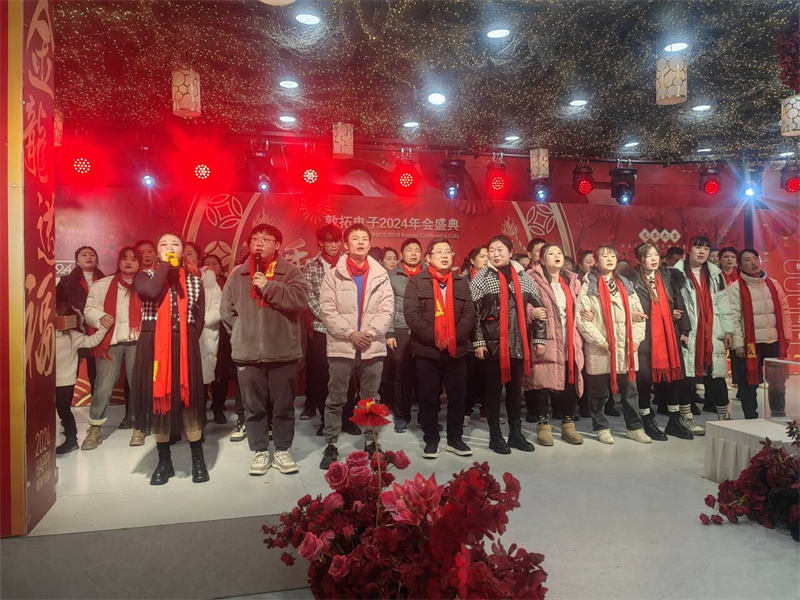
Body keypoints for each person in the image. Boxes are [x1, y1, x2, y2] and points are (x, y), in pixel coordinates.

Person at [221, 224, 308, 475]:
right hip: (248, 353)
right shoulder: (238, 274)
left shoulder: (290, 272)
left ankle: (282, 450)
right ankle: (259, 451)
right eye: (255, 239)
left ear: (278, 245)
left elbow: (300, 301)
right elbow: (227, 311)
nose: (259, 243)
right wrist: (241, 333)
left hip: (283, 351)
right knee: (254, 407)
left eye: (266, 239)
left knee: (283, 406)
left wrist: (269, 286)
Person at [130, 232, 209, 485]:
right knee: (160, 403)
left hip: (184, 344)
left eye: (175, 244)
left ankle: (198, 459)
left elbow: (199, 316)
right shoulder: (145, 276)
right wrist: (165, 265)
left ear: (184, 250)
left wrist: (187, 339)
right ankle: (164, 462)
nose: (169, 247)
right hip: (153, 345)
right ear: (157, 251)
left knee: (189, 403)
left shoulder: (195, 279)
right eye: (163, 244)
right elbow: (152, 292)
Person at [318, 224, 394, 469]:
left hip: (372, 345)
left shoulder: (381, 275)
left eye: (364, 239)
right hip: (342, 345)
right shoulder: (333, 275)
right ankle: (331, 444)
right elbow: (327, 310)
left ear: (370, 245)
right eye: (355, 238)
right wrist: (350, 333)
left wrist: (368, 334)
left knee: (370, 398)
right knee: (336, 397)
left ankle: (371, 443)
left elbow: (387, 310)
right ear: (346, 244)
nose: (360, 242)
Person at [472, 234, 546, 454]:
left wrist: (539, 338)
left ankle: (515, 434)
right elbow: (474, 314)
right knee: (493, 392)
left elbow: (539, 309)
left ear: (511, 253)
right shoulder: (482, 277)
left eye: (500, 250)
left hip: (518, 343)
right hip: (492, 346)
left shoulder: (522, 276)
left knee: (515, 392)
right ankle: (495, 436)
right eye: (491, 250)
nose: (495, 254)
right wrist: (478, 341)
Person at [404, 238, 475, 458]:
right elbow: (412, 315)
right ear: (428, 258)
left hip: (456, 350)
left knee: (458, 397)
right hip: (427, 350)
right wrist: (436, 338)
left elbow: (469, 314)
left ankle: (455, 439)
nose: (444, 256)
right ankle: (431, 439)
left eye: (448, 252)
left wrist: (453, 337)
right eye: (439, 252)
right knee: (428, 398)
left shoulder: (461, 282)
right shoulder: (416, 282)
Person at [577, 245, 651, 444]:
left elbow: (639, 316)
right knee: (599, 393)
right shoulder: (589, 285)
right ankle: (601, 427)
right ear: (595, 261)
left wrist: (636, 340)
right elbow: (582, 319)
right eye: (604, 256)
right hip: (601, 347)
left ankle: (634, 427)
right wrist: (600, 340)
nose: (609, 259)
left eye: (612, 256)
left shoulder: (625, 284)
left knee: (630, 391)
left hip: (625, 345)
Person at [621, 243, 694, 440]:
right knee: (644, 380)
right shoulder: (630, 280)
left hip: (669, 334)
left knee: (674, 378)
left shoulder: (669, 276)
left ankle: (674, 420)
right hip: (643, 335)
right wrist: (631, 315)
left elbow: (679, 303)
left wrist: (684, 329)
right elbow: (624, 306)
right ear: (638, 259)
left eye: (655, 254)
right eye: (648, 256)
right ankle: (646, 419)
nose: (653, 259)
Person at [524, 243, 586, 446]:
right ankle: (543, 427)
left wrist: (587, 312)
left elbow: (580, 305)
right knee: (542, 382)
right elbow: (521, 304)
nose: (557, 256)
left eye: (559, 252)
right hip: (545, 339)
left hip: (569, 341)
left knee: (570, 382)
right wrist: (531, 312)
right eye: (551, 253)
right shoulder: (531, 279)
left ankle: (568, 426)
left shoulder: (571, 281)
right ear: (542, 259)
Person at [83, 247, 143, 448]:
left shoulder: (145, 285)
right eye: (125, 258)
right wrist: (100, 317)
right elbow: (89, 309)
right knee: (103, 386)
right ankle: (94, 427)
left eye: (133, 259)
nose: (128, 262)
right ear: (118, 262)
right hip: (110, 341)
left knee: (138, 385)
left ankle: (139, 426)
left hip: (137, 341)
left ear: (139, 263)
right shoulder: (103, 285)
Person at [672, 236, 735, 426]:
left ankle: (724, 417)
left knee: (717, 377)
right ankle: (687, 417)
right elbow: (670, 300)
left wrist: (728, 331)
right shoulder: (676, 274)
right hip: (688, 332)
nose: (702, 252)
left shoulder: (715, 275)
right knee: (687, 378)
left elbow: (724, 306)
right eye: (698, 247)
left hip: (711, 332)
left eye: (706, 249)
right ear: (688, 249)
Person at [728, 249, 790, 419]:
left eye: (755, 258)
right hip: (750, 345)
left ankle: (779, 415)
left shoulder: (773, 284)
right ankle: (751, 417)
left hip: (774, 341)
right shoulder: (735, 288)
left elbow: (784, 311)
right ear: (740, 266)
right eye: (747, 260)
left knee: (778, 382)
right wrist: (739, 344)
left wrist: (786, 336)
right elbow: (734, 318)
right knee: (749, 382)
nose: (753, 262)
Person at [55, 304, 110, 455]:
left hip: (65, 381)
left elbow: (92, 341)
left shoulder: (73, 336)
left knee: (63, 410)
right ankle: (65, 437)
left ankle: (71, 440)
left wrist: (104, 328)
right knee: (59, 411)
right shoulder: (47, 334)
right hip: (50, 381)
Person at [384, 238, 424, 433]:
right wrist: (389, 331)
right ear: (402, 254)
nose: (414, 253)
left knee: (426, 375)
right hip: (401, 330)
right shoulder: (392, 276)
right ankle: (402, 416)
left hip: (425, 330)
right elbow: (387, 306)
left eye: (417, 250)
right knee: (402, 375)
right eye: (409, 250)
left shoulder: (429, 274)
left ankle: (426, 416)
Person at [56, 246, 105, 394]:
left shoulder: (106, 281)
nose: (88, 257)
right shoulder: (66, 282)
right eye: (83, 255)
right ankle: (65, 402)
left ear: (97, 260)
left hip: (100, 329)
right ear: (76, 261)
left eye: (92, 254)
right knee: (72, 369)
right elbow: (57, 306)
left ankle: (97, 399)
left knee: (99, 369)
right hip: (75, 332)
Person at [462, 245, 489, 426]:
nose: (486, 259)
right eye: (482, 256)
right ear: (472, 261)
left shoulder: (496, 279)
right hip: (469, 337)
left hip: (490, 335)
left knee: (488, 377)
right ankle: (465, 411)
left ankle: (487, 411)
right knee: (469, 378)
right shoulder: (463, 281)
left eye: (488, 256)